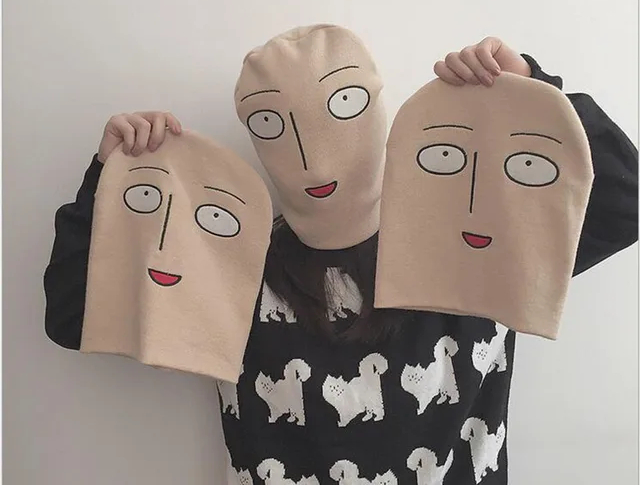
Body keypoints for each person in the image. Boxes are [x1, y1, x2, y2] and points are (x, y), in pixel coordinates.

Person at [44, 32, 638, 485]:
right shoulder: (235, 264)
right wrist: (114, 182)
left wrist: (533, 94)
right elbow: (78, 319)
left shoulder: (471, 239)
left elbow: (625, 206)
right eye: (272, 123)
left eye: (343, 105)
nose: (311, 152)